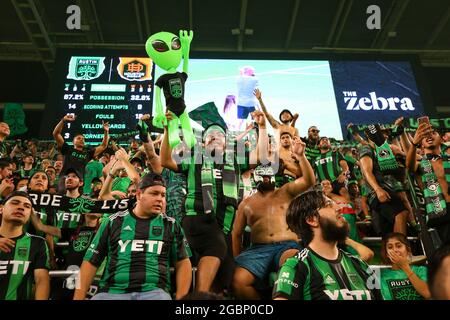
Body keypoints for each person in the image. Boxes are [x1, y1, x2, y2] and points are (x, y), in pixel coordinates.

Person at [160, 110, 268, 293]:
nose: (214, 137)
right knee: (216, 248)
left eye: (219, 134)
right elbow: (165, 160)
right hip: (198, 217)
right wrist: (166, 131)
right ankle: (199, 297)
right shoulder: (194, 156)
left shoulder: (235, 159)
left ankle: (209, 297)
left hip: (223, 225)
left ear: (226, 142)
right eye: (210, 135)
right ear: (203, 141)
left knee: (226, 275)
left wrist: (263, 128)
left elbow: (261, 157)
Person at [74, 172, 192, 300]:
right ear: (139, 195)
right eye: (154, 193)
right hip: (111, 292)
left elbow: (183, 263)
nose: (160, 199)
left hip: (155, 292)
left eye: (163, 195)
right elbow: (90, 263)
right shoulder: (113, 222)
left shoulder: (171, 225)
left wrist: (181, 297)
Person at [232, 137, 315, 299]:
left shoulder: (286, 191)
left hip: (287, 245)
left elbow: (309, 180)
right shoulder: (246, 203)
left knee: (292, 265)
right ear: (256, 176)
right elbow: (236, 234)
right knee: (238, 281)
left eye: (268, 174)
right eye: (262, 175)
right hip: (257, 250)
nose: (265, 178)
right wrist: (239, 259)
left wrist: (301, 156)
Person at [273, 190, 382, 300]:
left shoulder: (361, 264)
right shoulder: (295, 267)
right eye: (328, 204)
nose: (339, 208)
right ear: (312, 219)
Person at [359, 124, 409, 236]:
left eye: (384, 133)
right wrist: (377, 190)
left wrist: (401, 161)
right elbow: (367, 171)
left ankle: (392, 251)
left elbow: (400, 178)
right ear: (368, 134)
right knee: (401, 213)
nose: (382, 135)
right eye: (380, 132)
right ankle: (402, 250)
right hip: (377, 192)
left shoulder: (386, 151)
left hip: (388, 190)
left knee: (387, 232)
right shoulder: (367, 148)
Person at [0, 191, 50, 300]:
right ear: (1, 208)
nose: (21, 207)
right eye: (15, 203)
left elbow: (41, 280)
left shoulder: (38, 243)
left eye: (27, 206)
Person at [406, 122, 450, 244]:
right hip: (439, 211)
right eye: (425, 135)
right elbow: (409, 166)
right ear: (421, 143)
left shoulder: (448, 158)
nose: (429, 136)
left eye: (433, 133)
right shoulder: (420, 164)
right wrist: (414, 143)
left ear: (441, 139)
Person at [52, 114, 109, 192]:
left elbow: (103, 146)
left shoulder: (88, 153)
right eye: (79, 138)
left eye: (83, 139)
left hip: (79, 182)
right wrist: (63, 121)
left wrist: (106, 132)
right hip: (64, 180)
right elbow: (56, 134)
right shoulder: (68, 149)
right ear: (73, 142)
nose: (82, 140)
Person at [379, 232, 430, 300]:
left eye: (399, 246)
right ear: (387, 254)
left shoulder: (421, 270)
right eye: (390, 247)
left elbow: (428, 294)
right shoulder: (382, 276)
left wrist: (405, 267)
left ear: (408, 250)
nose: (395, 250)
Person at [236, 66, 259, 131]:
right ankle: (255, 132)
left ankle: (238, 132)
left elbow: (241, 76)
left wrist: (241, 73)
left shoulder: (238, 79)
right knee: (254, 120)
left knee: (240, 120)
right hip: (252, 103)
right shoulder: (255, 79)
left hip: (241, 103)